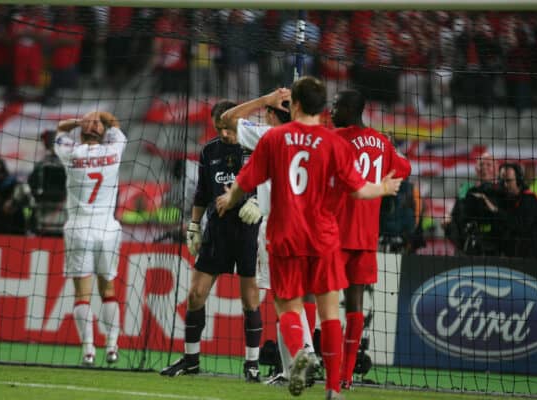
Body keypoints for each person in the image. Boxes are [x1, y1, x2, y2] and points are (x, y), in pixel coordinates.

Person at [216, 76, 403, 400]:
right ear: (322, 109)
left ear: (296, 105)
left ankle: (301, 352)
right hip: (325, 237)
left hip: (286, 234)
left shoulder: (275, 139)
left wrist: (228, 200)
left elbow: (244, 183)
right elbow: (359, 190)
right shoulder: (335, 143)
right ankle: (333, 389)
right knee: (330, 312)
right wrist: (385, 188)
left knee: (288, 305)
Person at [220, 88, 320, 387]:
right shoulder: (318, 140)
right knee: (301, 296)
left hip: (277, 225)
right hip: (311, 228)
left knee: (283, 298)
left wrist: (265, 99)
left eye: (268, 112)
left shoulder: (268, 136)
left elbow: (226, 119)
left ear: (274, 113)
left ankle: (303, 351)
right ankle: (296, 366)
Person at [160, 101, 264, 382]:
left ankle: (252, 365)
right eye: (219, 128)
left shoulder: (256, 145)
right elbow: (203, 192)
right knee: (195, 295)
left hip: (248, 231)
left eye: (228, 128)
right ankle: (191, 360)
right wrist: (194, 226)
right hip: (216, 232)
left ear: (239, 124)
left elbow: (274, 183)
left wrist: (259, 203)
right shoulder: (209, 150)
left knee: (249, 299)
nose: (225, 134)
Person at [330, 89, 411, 390]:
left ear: (351, 109)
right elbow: (405, 168)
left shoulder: (336, 138)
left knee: (317, 298)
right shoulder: (381, 141)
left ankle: (314, 362)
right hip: (365, 236)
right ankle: (346, 375)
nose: (331, 110)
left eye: (336, 105)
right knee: (355, 304)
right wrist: (389, 151)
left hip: (336, 232)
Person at [54, 110, 127, 366]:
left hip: (78, 230)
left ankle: (88, 349)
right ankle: (112, 347)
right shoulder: (114, 151)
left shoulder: (70, 153)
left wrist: (80, 120)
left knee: (81, 295)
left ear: (83, 131)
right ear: (103, 132)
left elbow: (60, 130)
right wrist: (100, 116)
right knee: (108, 291)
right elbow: (114, 122)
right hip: (107, 229)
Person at [472, 162, 537, 258]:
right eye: (502, 181)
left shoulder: (530, 199)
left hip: (530, 259)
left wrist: (495, 210)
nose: (505, 184)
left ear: (519, 180)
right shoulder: (504, 199)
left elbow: (520, 226)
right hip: (508, 259)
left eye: (508, 181)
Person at [443, 152, 501, 255]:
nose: (484, 168)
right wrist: (448, 226)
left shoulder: (503, 193)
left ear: (497, 169)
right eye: (481, 164)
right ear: (476, 168)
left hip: (494, 250)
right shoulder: (465, 191)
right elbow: (457, 218)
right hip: (468, 249)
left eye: (489, 165)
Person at [28, 129, 67, 236]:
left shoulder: (41, 165)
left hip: (47, 217)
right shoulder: (67, 163)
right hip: (59, 216)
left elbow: (32, 186)